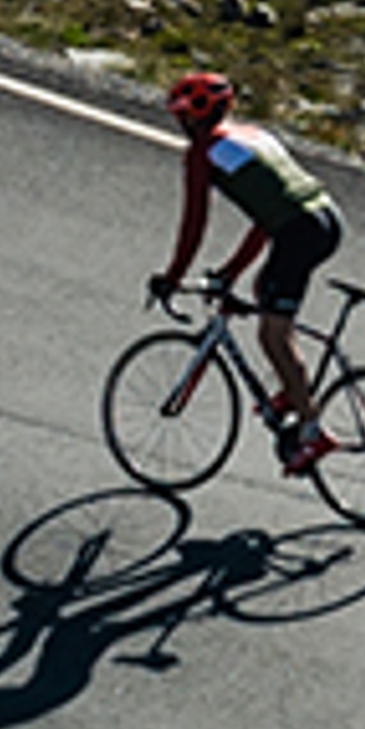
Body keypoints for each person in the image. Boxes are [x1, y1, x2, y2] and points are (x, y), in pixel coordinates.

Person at [151, 69, 345, 471]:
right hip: (323, 217)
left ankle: (313, 432)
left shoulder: (203, 154)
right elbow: (267, 216)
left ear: (198, 116)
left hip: (300, 231)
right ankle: (294, 391)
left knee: (273, 334)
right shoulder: (254, 136)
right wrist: (231, 272)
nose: (180, 123)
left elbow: (194, 223)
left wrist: (172, 277)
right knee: (266, 293)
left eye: (182, 115)